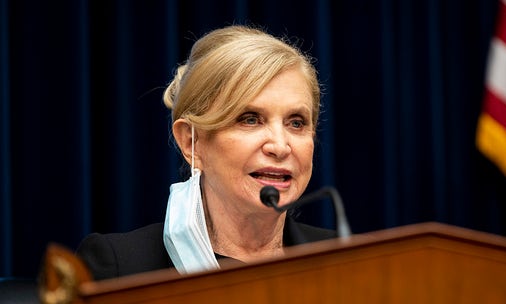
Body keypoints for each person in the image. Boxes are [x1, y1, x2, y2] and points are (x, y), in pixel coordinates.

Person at [76, 25, 337, 281]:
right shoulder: (121, 268)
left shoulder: (341, 258)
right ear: (192, 142)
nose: (280, 147)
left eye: (296, 122)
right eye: (250, 119)